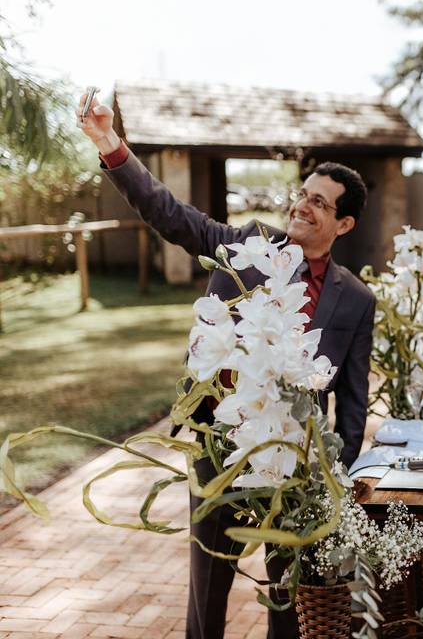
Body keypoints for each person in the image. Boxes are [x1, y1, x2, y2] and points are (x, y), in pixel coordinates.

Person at [77, 93, 375, 639]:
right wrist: (110, 145)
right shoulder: (245, 246)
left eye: (321, 203)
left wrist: (343, 470)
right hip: (218, 445)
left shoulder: (355, 299)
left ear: (345, 223)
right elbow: (169, 213)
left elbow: (353, 397)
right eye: (303, 195)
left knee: (290, 598)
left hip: (297, 460)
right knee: (208, 590)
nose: (303, 207)